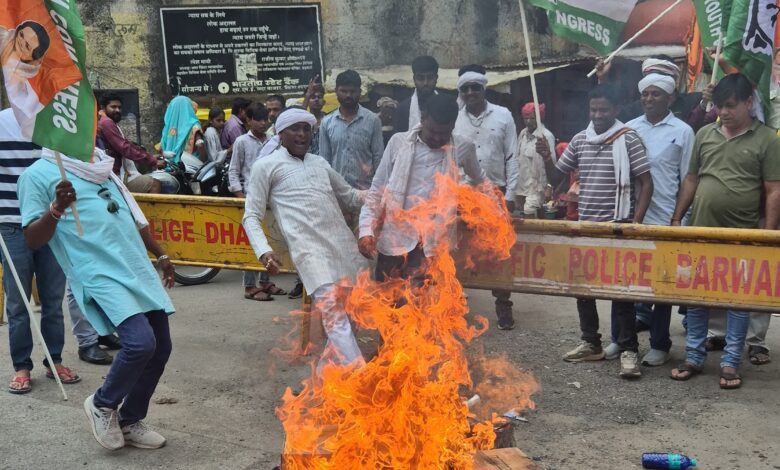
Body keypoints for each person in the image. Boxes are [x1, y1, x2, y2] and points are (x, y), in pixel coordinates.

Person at [19, 146, 176, 450]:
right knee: (140, 343)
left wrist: (160, 253)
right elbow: (32, 238)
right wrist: (56, 209)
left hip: (134, 264)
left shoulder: (101, 165)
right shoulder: (35, 175)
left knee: (160, 348)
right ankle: (102, 404)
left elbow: (131, 217)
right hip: (98, 271)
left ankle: (130, 420)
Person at [669, 73, 780, 389]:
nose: (723, 113)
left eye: (730, 106)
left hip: (742, 235)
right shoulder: (704, 134)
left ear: (748, 102)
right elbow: (691, 179)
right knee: (696, 298)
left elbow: (774, 190)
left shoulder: (768, 139)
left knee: (738, 301)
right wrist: (678, 218)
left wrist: (767, 237)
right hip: (699, 231)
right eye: (719, 106)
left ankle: (731, 362)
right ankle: (693, 357)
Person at [543, 84, 653, 379]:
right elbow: (557, 178)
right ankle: (591, 342)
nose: (598, 115)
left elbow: (646, 183)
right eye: (594, 110)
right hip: (587, 226)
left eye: (604, 110)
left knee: (621, 293)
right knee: (583, 289)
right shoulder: (580, 140)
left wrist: (636, 223)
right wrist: (545, 156)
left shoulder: (628, 139)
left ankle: (629, 350)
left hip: (618, 227)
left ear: (616, 110)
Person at [243, 108, 367, 368]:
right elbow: (251, 216)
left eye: (306, 129)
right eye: (295, 129)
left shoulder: (319, 163)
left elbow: (351, 197)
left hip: (344, 249)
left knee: (349, 322)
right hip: (310, 255)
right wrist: (264, 251)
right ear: (281, 133)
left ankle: (321, 385)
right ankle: (364, 382)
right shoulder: (266, 166)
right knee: (336, 319)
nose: (301, 134)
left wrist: (382, 194)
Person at [603, 73, 694, 367]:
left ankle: (659, 343)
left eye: (656, 94)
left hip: (666, 217)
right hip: (631, 217)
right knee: (623, 282)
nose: (649, 99)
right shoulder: (629, 129)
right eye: (646, 94)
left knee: (663, 286)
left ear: (670, 98)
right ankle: (620, 338)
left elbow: (688, 178)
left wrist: (679, 217)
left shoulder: (682, 131)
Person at [358, 93, 486, 283]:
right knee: (386, 304)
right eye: (433, 131)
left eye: (444, 133)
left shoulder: (463, 147)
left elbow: (481, 181)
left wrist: (491, 210)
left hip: (432, 246)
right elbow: (377, 190)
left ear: (453, 125)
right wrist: (365, 231)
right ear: (423, 118)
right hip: (395, 240)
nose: (437, 138)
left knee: (424, 307)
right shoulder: (398, 143)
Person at [0, 109, 85, 394]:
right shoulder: (1, 122)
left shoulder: (55, 122)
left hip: (51, 223)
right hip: (10, 224)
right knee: (18, 302)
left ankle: (54, 360)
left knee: (52, 299)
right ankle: (22, 366)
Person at [454, 68, 519, 330]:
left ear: (484, 89)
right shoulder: (455, 119)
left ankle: (503, 303)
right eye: (465, 88)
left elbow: (512, 156)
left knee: (499, 250)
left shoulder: (503, 115)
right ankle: (455, 305)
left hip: (495, 193)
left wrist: (511, 195)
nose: (470, 93)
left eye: (475, 87)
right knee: (457, 249)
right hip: (462, 195)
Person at [229, 104, 287, 301]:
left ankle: (265, 282)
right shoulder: (241, 141)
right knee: (251, 242)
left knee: (268, 240)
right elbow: (234, 171)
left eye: (265, 119)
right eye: (258, 119)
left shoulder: (273, 142)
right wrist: (240, 197)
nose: (263, 123)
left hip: (270, 198)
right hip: (249, 197)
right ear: (248, 120)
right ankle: (249, 286)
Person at [320, 70, 384, 190]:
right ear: (336, 92)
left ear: (360, 92)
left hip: (366, 191)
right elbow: (324, 161)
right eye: (344, 91)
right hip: (338, 192)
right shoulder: (326, 123)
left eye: (352, 91)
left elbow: (378, 157)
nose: (348, 95)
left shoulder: (373, 120)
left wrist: (378, 190)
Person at [97, 93, 163, 193]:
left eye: (119, 107)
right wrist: (152, 161)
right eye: (113, 107)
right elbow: (124, 147)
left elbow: (127, 144)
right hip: (115, 174)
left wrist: (150, 156)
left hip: (113, 170)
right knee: (154, 184)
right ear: (103, 107)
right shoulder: (106, 123)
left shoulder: (107, 121)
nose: (117, 110)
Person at [0, 21, 51, 128]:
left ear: (33, 57)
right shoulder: (5, 38)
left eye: (27, 46)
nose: (21, 41)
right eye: (22, 35)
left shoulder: (33, 81)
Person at [515, 102, 556, 218]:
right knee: (524, 214)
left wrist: (549, 187)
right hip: (522, 183)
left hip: (537, 185)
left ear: (539, 117)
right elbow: (517, 156)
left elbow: (552, 162)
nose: (528, 121)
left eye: (532, 118)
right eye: (525, 118)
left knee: (530, 212)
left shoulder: (546, 136)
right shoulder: (522, 134)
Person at [394, 55, 439, 133]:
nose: (425, 83)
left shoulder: (448, 104)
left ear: (436, 78)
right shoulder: (403, 109)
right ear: (414, 79)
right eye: (421, 78)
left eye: (430, 78)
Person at [160, 95, 206, 171]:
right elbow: (200, 145)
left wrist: (165, 154)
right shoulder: (194, 125)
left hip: (169, 168)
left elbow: (161, 149)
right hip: (189, 170)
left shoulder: (167, 128)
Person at [302, 77, 326, 156]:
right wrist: (308, 94)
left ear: (324, 102)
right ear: (308, 100)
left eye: (319, 97)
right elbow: (297, 115)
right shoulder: (303, 120)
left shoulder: (329, 119)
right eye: (312, 97)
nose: (316, 99)